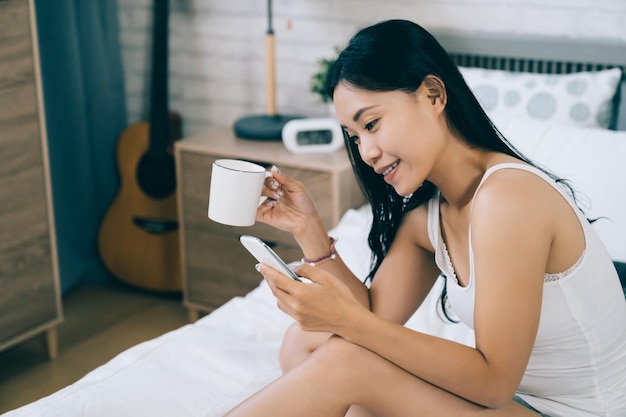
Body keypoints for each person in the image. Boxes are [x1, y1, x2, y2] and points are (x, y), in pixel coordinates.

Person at [225, 19, 626, 417]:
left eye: (371, 124)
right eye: (355, 136)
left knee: (344, 363)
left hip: (570, 411)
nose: (366, 152)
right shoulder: (430, 218)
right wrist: (308, 227)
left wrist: (347, 322)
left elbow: (493, 382)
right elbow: (374, 315)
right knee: (302, 342)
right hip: (513, 404)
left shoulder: (508, 199)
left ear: (433, 95)